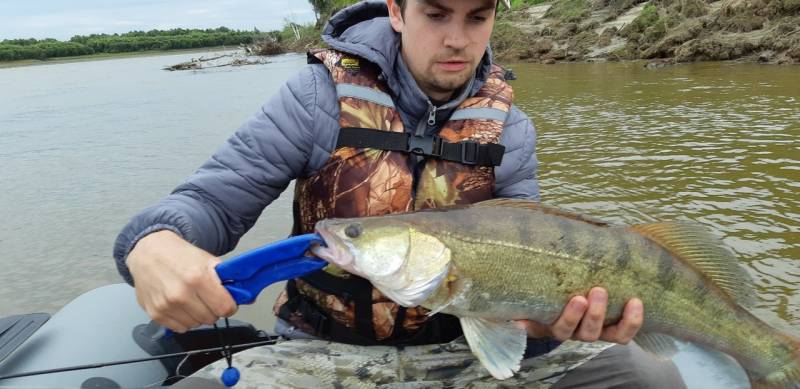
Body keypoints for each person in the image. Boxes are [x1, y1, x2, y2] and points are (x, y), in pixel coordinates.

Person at [114, 0, 685, 387]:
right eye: (435, 13)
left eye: (477, 15)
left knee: (646, 375)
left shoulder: (509, 127)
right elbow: (213, 200)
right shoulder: (316, 98)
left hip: (462, 348)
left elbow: (530, 272)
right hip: (323, 348)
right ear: (396, 9)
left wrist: (542, 326)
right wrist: (154, 245)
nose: (457, 38)